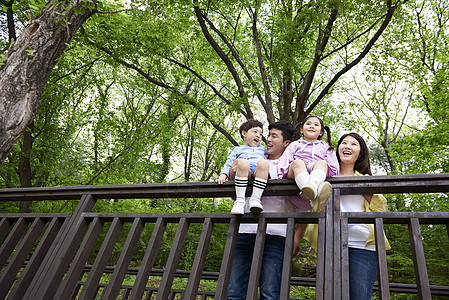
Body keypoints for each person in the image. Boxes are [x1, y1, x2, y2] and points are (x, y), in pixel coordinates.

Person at [225, 121, 311, 300]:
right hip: (245, 229)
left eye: (274, 136)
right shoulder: (252, 157)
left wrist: (296, 237)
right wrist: (232, 175)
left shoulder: (290, 166)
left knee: (270, 292)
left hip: (276, 234)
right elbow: (235, 197)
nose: (268, 140)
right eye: (268, 135)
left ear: (286, 143)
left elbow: (305, 205)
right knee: (234, 291)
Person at [304, 132, 391, 300]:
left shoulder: (365, 179)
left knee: (359, 296)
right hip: (331, 244)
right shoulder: (323, 178)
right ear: (337, 149)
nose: (347, 146)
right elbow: (309, 206)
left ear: (360, 153)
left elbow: (381, 208)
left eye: (353, 144)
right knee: (329, 295)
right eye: (344, 143)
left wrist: (361, 187)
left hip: (363, 245)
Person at [276, 115, 339, 212]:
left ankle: (311, 189)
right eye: (308, 124)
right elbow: (285, 159)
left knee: (322, 163)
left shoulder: (325, 146)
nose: (312, 126)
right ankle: (313, 193)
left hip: (317, 172)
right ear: (301, 130)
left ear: (321, 132)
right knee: (298, 163)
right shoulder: (295, 144)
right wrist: (280, 173)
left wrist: (334, 174)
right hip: (297, 172)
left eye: (316, 125)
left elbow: (333, 163)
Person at [216, 119, 269, 214]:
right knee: (243, 162)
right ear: (244, 133)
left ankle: (256, 199)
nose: (258, 135)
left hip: (258, 173)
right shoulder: (237, 149)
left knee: (264, 163)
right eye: (255, 132)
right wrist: (223, 174)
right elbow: (229, 163)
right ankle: (239, 201)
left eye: (261, 134)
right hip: (243, 173)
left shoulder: (263, 150)